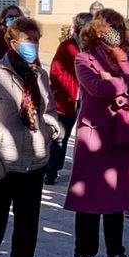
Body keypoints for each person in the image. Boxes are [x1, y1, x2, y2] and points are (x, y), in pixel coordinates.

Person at [0, 14, 58, 257]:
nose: (32, 44)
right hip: (4, 156)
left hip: (34, 156)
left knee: (28, 216)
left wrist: (50, 129)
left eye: (35, 39)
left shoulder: (40, 75)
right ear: (12, 42)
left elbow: (50, 108)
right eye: (26, 39)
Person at [64, 10, 129, 257]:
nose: (116, 32)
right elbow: (96, 89)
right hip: (94, 135)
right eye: (110, 27)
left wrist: (119, 76)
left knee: (118, 194)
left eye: (119, 27)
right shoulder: (84, 58)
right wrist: (124, 87)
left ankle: (116, 252)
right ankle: (83, 254)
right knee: (89, 196)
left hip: (120, 133)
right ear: (97, 30)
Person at [46, 12, 89, 187]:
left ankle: (80, 169)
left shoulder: (92, 47)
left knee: (83, 135)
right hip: (68, 97)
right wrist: (66, 87)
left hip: (86, 98)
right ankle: (52, 170)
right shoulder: (66, 46)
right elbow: (55, 71)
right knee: (61, 135)